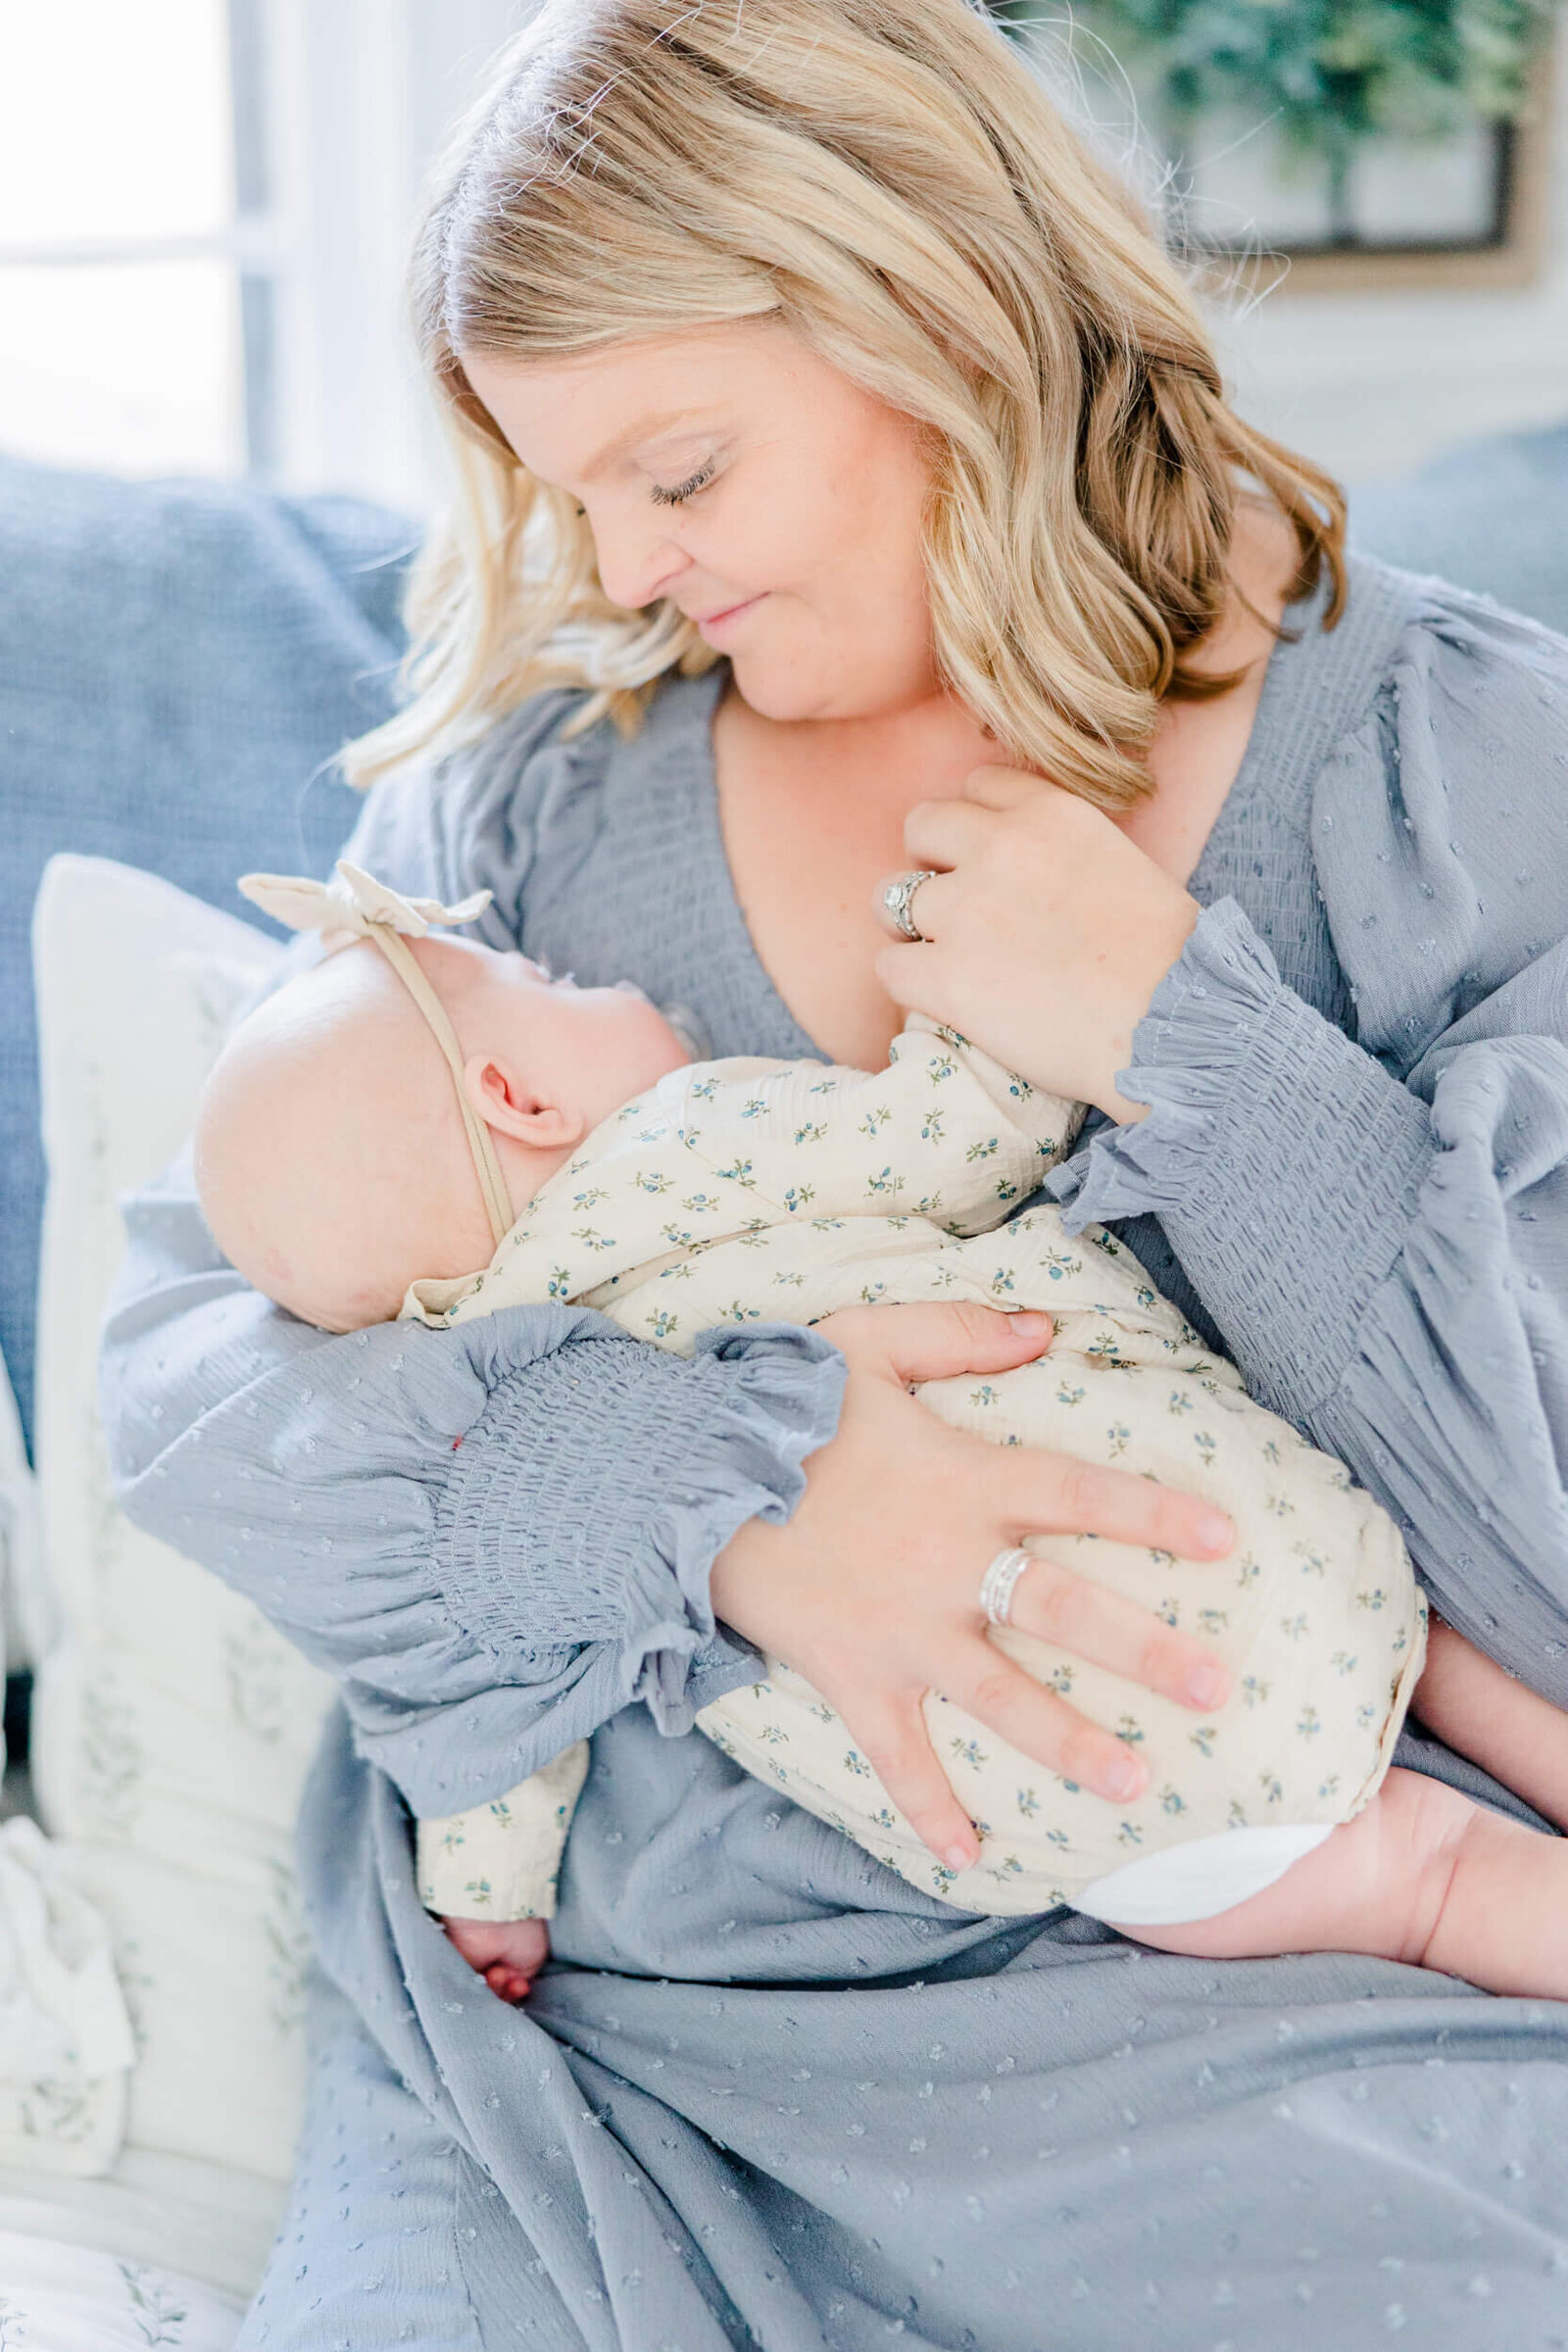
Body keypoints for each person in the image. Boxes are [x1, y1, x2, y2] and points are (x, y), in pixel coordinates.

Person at [100, 3, 1568, 2344]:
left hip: (1237, 1966)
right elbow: (193, 1374)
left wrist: (1189, 1048)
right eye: (557, 483)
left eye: (677, 470)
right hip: (627, 2031)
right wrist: (713, 1486)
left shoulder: (1444, 776)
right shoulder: (532, 810)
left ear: (938, 319)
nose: (618, 560)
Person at [191, 864, 1568, 2010]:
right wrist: (977, 994)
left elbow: (511, 1702)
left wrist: (487, 1898)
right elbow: (962, 1136)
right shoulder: (680, 1143)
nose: (597, 985)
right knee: (1435, 1648)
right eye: (549, 989)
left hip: (1081, 1815)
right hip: (1222, 1557)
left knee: (1433, 1879)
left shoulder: (487, 1419)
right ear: (521, 1099)